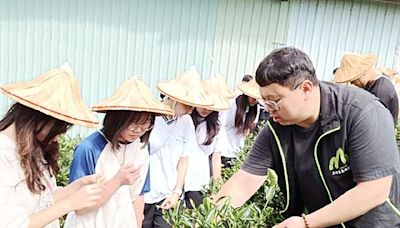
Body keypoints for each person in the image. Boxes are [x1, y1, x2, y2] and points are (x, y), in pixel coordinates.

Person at [214, 47, 400, 227]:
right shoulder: (277, 128)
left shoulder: (362, 112)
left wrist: (306, 223)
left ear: (305, 89)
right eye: (265, 101)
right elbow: (245, 180)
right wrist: (207, 217)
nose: (269, 110)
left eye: (275, 101)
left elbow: (375, 189)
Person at [0, 64, 103, 228]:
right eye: (59, 126)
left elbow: (43, 202)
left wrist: (76, 187)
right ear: (38, 118)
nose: (61, 134)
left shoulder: (34, 149)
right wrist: (70, 203)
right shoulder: (3, 155)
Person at [64, 78, 174, 228]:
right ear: (117, 119)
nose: (139, 130)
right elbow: (79, 206)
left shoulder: (142, 147)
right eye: (134, 123)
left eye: (145, 125)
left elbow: (139, 195)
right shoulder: (89, 148)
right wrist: (118, 180)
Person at [143, 67, 213, 228]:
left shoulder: (186, 121)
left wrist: (177, 191)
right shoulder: (150, 117)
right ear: (173, 97)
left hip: (167, 195)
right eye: (187, 104)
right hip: (144, 194)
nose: (190, 110)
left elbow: (184, 159)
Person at [184, 78, 231, 208]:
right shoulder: (184, 120)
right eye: (203, 104)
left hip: (198, 180)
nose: (206, 109)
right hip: (177, 178)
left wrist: (217, 188)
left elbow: (216, 159)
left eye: (210, 106)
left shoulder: (216, 126)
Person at [334, 53, 399, 125]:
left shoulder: (380, 91)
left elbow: (374, 123)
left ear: (362, 74)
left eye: (353, 80)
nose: (352, 83)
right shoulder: (373, 86)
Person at [220, 75, 261, 168]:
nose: (254, 100)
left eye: (257, 98)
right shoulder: (233, 104)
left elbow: (248, 131)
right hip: (224, 150)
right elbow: (222, 126)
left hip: (238, 152)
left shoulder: (255, 108)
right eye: (253, 97)